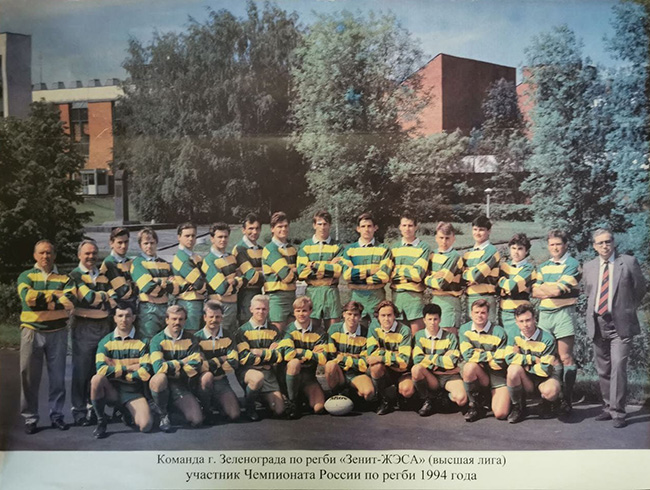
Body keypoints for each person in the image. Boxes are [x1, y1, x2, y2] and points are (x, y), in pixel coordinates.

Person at [583, 228, 647, 428]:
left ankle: (618, 412)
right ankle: (608, 407)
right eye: (600, 243)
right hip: (598, 323)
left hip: (621, 324)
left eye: (608, 241)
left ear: (613, 242)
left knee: (618, 366)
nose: (605, 246)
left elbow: (641, 288)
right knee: (603, 368)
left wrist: (627, 309)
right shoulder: (589, 266)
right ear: (594, 246)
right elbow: (589, 292)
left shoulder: (627, 262)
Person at [17, 239, 75, 434]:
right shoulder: (26, 276)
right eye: (41, 253)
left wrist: (42, 299)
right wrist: (56, 297)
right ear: (35, 255)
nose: (45, 256)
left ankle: (57, 415)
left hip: (58, 332)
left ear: (54, 255)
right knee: (28, 376)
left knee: (58, 377)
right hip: (31, 331)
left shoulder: (65, 278)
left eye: (49, 252)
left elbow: (70, 300)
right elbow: (28, 299)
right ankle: (30, 418)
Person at [532, 229, 581, 415]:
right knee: (548, 356)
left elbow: (557, 291)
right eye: (551, 244)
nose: (555, 248)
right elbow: (534, 291)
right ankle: (550, 398)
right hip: (545, 314)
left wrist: (546, 288)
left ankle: (567, 399)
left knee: (565, 356)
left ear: (565, 245)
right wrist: (550, 289)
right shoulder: (543, 266)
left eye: (558, 244)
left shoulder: (572, 264)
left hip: (564, 313)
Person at [69, 239, 116, 426]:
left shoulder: (103, 275)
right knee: (81, 371)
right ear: (79, 255)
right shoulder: (74, 276)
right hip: (84, 326)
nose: (91, 257)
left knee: (99, 370)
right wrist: (104, 297)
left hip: (104, 325)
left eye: (94, 253)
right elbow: (88, 298)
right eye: (87, 253)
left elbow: (115, 298)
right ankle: (79, 411)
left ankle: (95, 410)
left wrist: (103, 299)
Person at [90, 303, 153, 438]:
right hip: (112, 391)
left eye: (128, 316)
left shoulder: (143, 342)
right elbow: (101, 370)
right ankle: (101, 421)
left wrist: (115, 368)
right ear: (114, 318)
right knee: (96, 379)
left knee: (146, 426)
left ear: (134, 318)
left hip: (133, 391)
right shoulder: (105, 342)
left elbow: (145, 372)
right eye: (120, 316)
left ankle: (125, 411)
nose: (124, 320)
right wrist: (129, 368)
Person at [149, 305, 204, 432]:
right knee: (159, 378)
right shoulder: (156, 340)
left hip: (180, 384)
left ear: (185, 321)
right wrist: (183, 361)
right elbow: (158, 368)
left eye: (180, 319)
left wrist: (170, 367)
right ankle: (163, 414)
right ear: (167, 320)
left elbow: (195, 366)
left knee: (197, 420)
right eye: (174, 319)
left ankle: (174, 407)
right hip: (163, 383)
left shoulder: (191, 339)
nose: (177, 322)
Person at [504, 304, 561, 424]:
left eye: (528, 320)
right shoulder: (513, 334)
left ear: (535, 319)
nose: (525, 325)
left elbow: (545, 370)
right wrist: (532, 359)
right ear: (516, 322)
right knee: (513, 370)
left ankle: (547, 403)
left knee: (551, 391)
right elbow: (509, 358)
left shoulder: (547, 339)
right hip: (527, 377)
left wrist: (522, 362)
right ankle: (518, 406)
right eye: (521, 321)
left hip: (544, 378)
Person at [235, 295, 285, 421]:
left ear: (268, 310)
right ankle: (250, 406)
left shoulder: (274, 330)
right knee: (257, 378)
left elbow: (279, 355)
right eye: (257, 308)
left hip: (268, 373)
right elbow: (245, 359)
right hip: (249, 371)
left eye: (264, 309)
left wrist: (259, 352)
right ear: (251, 309)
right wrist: (268, 355)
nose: (261, 312)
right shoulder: (242, 331)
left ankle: (261, 398)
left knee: (279, 410)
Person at [411, 304, 467, 417]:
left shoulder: (450, 336)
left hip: (448, 376)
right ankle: (427, 399)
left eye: (435, 319)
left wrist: (428, 358)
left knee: (461, 399)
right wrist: (441, 361)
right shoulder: (419, 336)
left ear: (440, 319)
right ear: (424, 320)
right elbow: (417, 359)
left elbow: (452, 362)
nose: (432, 322)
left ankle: (443, 397)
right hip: (431, 376)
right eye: (429, 319)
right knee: (416, 369)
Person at [459, 299, 509, 422]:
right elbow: (468, 355)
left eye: (483, 312)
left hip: (496, 374)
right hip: (479, 372)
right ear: (471, 313)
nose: (479, 316)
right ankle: (475, 404)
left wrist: (479, 354)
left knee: (501, 413)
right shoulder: (464, 329)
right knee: (469, 367)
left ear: (488, 314)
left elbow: (500, 361)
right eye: (476, 312)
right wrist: (491, 355)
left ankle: (492, 397)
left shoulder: (499, 332)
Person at [278, 296, 327, 418]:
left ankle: (302, 396)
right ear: (294, 312)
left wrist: (300, 351)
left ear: (310, 311)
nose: (301, 314)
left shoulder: (320, 332)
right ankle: (292, 401)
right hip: (290, 375)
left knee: (319, 407)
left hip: (308, 377)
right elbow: (289, 355)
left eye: (304, 310)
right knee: (294, 363)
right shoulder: (288, 330)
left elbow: (322, 359)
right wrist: (311, 353)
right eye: (298, 311)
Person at [341, 212, 393, 325]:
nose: (366, 229)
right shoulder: (349, 250)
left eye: (369, 226)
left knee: (378, 331)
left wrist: (358, 278)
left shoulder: (384, 249)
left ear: (375, 228)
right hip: (357, 297)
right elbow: (347, 275)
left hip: (377, 298)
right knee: (358, 331)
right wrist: (371, 271)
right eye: (363, 226)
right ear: (358, 229)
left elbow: (384, 276)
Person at [194, 301, 240, 424]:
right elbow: (201, 366)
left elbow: (234, 362)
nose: (214, 320)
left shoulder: (228, 335)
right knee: (207, 377)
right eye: (211, 317)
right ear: (204, 317)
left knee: (234, 415)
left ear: (222, 318)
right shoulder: (196, 338)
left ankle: (217, 402)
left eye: (218, 317)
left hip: (221, 380)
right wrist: (222, 359)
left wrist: (210, 363)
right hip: (202, 380)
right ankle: (206, 409)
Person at [131, 228, 180, 341]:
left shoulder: (164, 263)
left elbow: (176, 288)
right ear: (140, 245)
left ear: (156, 243)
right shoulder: (138, 263)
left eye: (152, 243)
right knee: (148, 339)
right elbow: (148, 287)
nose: (149, 246)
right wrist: (166, 282)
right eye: (146, 243)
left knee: (164, 340)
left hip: (165, 307)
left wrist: (156, 280)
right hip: (148, 309)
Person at [296, 209, 344, 329]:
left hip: (331, 292)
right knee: (312, 329)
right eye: (319, 224)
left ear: (330, 225)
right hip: (312, 291)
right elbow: (301, 272)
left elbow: (338, 271)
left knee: (334, 330)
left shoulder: (337, 246)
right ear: (314, 225)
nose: (322, 227)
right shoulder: (305, 246)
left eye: (325, 224)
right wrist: (329, 265)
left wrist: (313, 265)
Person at [366, 301, 414, 415]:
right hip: (386, 369)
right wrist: (394, 356)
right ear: (378, 316)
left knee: (407, 390)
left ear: (395, 316)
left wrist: (381, 357)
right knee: (375, 367)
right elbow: (372, 354)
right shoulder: (373, 327)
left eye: (389, 315)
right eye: (383, 315)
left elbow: (403, 361)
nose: (386, 319)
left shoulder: (404, 330)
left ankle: (399, 395)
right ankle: (384, 399)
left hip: (402, 371)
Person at [324, 301, 375, 404]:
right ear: (344, 314)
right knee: (330, 365)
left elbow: (364, 363)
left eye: (355, 315)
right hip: (339, 372)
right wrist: (354, 357)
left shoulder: (366, 333)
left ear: (360, 316)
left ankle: (352, 393)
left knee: (369, 393)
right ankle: (336, 392)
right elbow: (331, 356)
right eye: (349, 314)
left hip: (356, 373)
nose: (352, 318)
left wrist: (343, 357)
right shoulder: (334, 329)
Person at [390, 213, 430, 335]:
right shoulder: (394, 248)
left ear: (416, 227)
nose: (407, 229)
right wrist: (408, 272)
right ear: (399, 227)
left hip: (414, 297)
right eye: (404, 225)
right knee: (400, 336)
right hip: (397, 297)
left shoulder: (424, 247)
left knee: (416, 336)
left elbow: (418, 274)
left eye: (410, 225)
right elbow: (388, 274)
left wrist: (398, 271)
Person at [202, 222, 245, 336]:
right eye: (220, 237)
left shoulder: (231, 257)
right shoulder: (209, 261)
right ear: (212, 238)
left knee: (231, 337)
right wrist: (237, 281)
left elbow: (243, 279)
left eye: (225, 237)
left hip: (233, 305)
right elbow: (222, 288)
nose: (223, 240)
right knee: (218, 336)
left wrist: (234, 281)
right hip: (218, 306)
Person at [424, 222, 464, 334]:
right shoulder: (432, 255)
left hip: (450, 301)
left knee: (448, 335)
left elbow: (441, 283)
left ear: (453, 238)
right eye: (441, 238)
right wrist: (429, 278)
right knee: (435, 335)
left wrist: (429, 279)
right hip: (435, 299)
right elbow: (422, 277)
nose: (444, 241)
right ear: (436, 238)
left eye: (447, 238)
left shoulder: (454, 257)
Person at [498, 233, 537, 342]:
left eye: (520, 249)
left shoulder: (529, 269)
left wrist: (501, 281)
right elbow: (495, 288)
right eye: (513, 248)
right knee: (504, 344)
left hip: (520, 313)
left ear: (526, 251)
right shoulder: (504, 266)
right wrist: (504, 285)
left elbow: (513, 287)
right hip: (503, 312)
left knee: (518, 344)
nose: (516, 252)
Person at [262, 211, 297, 331]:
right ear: (272, 229)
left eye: (286, 226)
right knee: (277, 333)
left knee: (291, 334)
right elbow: (287, 276)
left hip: (292, 295)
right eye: (279, 226)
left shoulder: (292, 249)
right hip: (277, 297)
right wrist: (293, 270)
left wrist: (294, 270)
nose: (283, 229)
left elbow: (303, 272)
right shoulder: (270, 249)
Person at [462, 215, 501, 323]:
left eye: (481, 230)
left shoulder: (491, 251)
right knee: (470, 330)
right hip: (470, 298)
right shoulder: (468, 253)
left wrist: (468, 273)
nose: (477, 233)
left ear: (489, 231)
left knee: (487, 331)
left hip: (486, 298)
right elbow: (461, 278)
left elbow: (476, 276)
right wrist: (469, 275)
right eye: (475, 229)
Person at [171, 222, 207, 334]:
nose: (190, 239)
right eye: (187, 236)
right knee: (191, 334)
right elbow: (200, 283)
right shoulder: (181, 258)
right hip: (188, 303)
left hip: (198, 301)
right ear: (179, 237)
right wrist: (202, 284)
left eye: (193, 235)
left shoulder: (196, 256)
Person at [232, 213, 264, 324]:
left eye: (257, 228)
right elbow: (252, 276)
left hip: (259, 293)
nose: (254, 232)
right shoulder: (240, 249)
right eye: (250, 228)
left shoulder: (261, 249)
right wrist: (270, 274)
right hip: (245, 295)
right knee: (247, 326)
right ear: (243, 230)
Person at [100, 227, 136, 313]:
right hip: (117, 308)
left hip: (131, 306)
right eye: (120, 242)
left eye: (126, 242)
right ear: (111, 243)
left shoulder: (130, 262)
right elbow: (121, 291)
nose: (123, 246)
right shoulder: (109, 263)